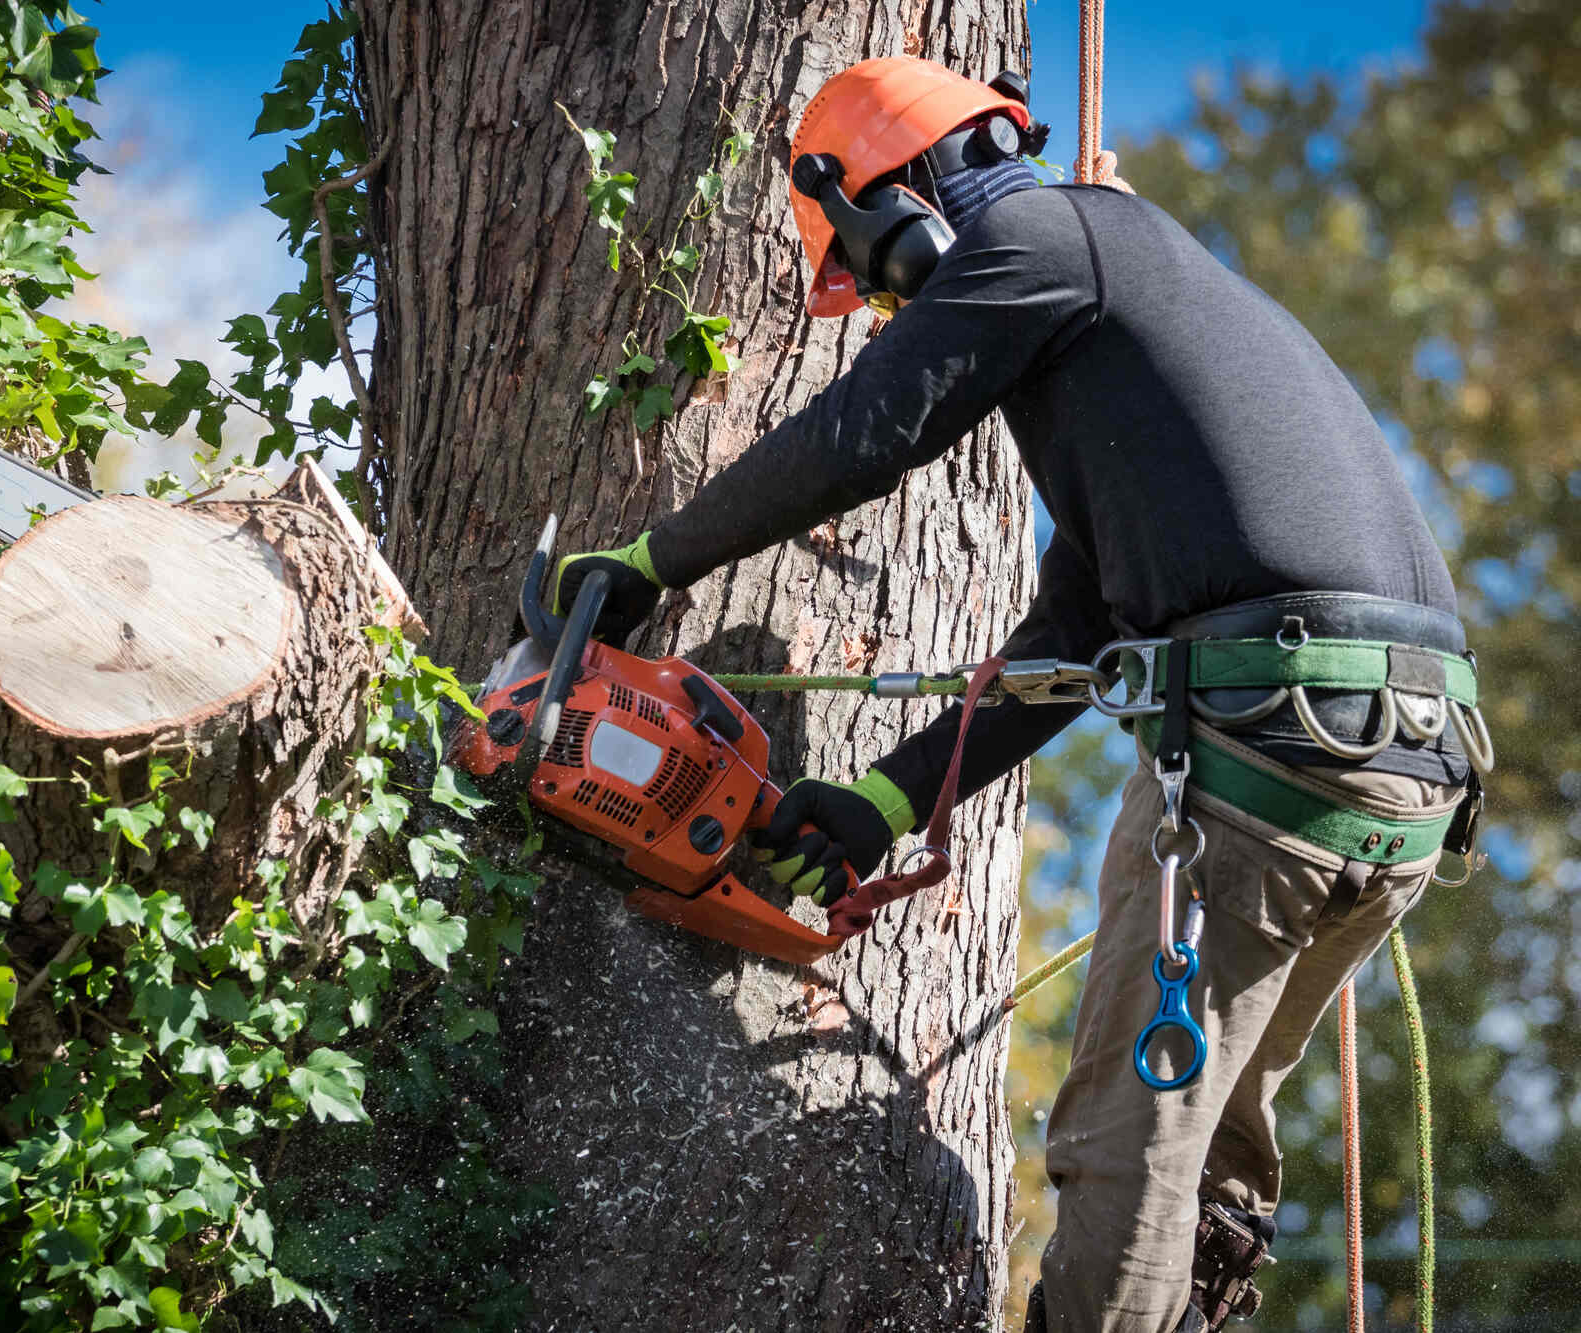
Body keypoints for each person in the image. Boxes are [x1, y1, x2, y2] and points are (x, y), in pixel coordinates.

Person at [552, 56, 1485, 1333]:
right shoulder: (1131, 328)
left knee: (1122, 1153)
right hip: (1397, 776)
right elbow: (1069, 643)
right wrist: (881, 801)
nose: (890, 316)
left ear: (900, 202)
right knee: (1203, 1154)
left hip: (1274, 761)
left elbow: (868, 431)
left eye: (875, 278)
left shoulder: (1047, 234)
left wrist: (647, 561)